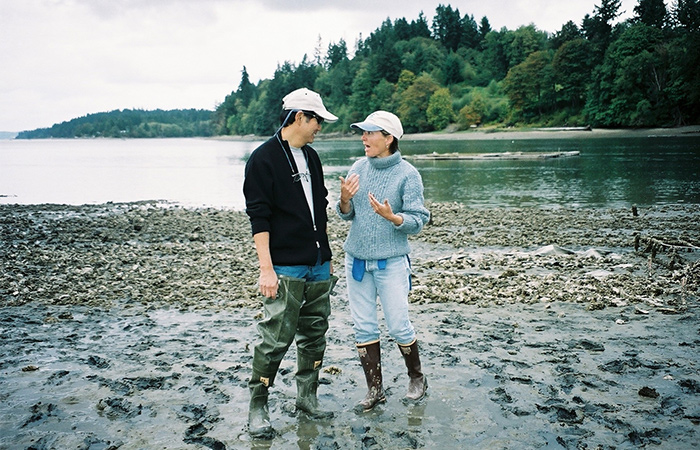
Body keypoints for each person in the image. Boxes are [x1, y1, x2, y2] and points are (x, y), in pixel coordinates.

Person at [243, 88, 338, 438]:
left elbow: (320, 205)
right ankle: (258, 406)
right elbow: (259, 217)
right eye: (317, 121)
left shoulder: (312, 157)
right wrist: (266, 269)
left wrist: (324, 253)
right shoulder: (262, 159)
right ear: (299, 117)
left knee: (315, 336)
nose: (319, 129)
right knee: (274, 340)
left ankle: (307, 398)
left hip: (318, 264)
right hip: (285, 267)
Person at [336, 110, 430, 412]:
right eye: (362, 132)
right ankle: (374, 389)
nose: (363, 138)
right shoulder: (358, 167)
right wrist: (345, 200)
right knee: (364, 327)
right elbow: (346, 215)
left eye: (369, 133)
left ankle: (417, 379)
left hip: (391, 262)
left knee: (399, 325)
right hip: (357, 261)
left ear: (389, 138)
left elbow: (418, 220)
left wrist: (394, 217)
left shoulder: (408, 174)